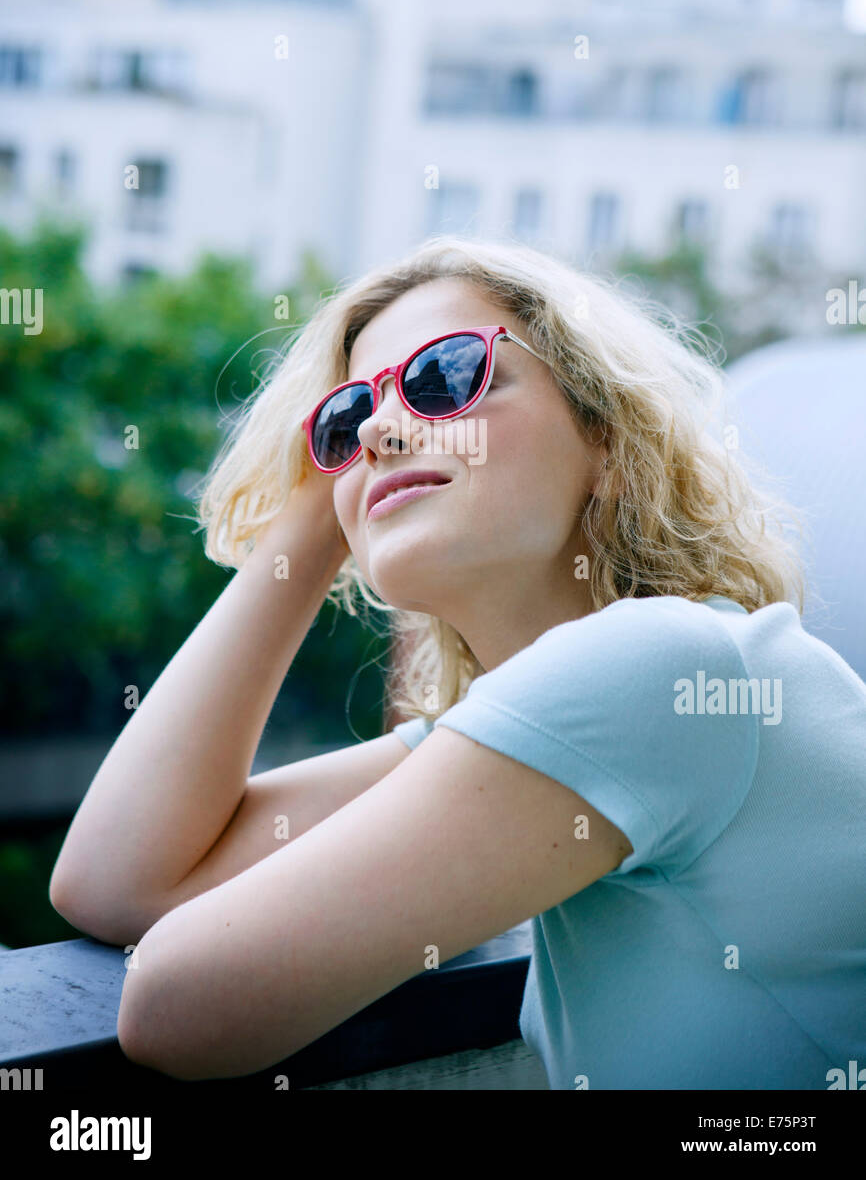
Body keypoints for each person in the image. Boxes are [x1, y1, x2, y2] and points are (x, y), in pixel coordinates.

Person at [49, 236, 866, 1089]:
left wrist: (374, 467)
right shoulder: (581, 717)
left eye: (444, 377)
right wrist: (325, 508)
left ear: (610, 445)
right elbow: (118, 881)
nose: (374, 426)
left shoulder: (654, 670)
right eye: (344, 417)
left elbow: (177, 1009)